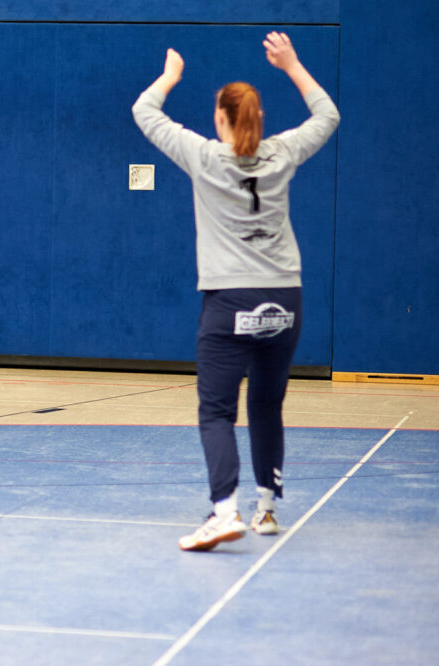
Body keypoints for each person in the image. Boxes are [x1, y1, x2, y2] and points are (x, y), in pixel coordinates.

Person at [132, 32, 340, 551]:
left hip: (229, 301)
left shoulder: (204, 156)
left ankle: (224, 510)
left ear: (222, 120)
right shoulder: (283, 152)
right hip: (284, 300)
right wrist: (292, 65)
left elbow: (144, 110)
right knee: (268, 404)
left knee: (217, 411)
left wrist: (170, 76)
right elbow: (327, 115)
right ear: (259, 120)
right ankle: (266, 508)